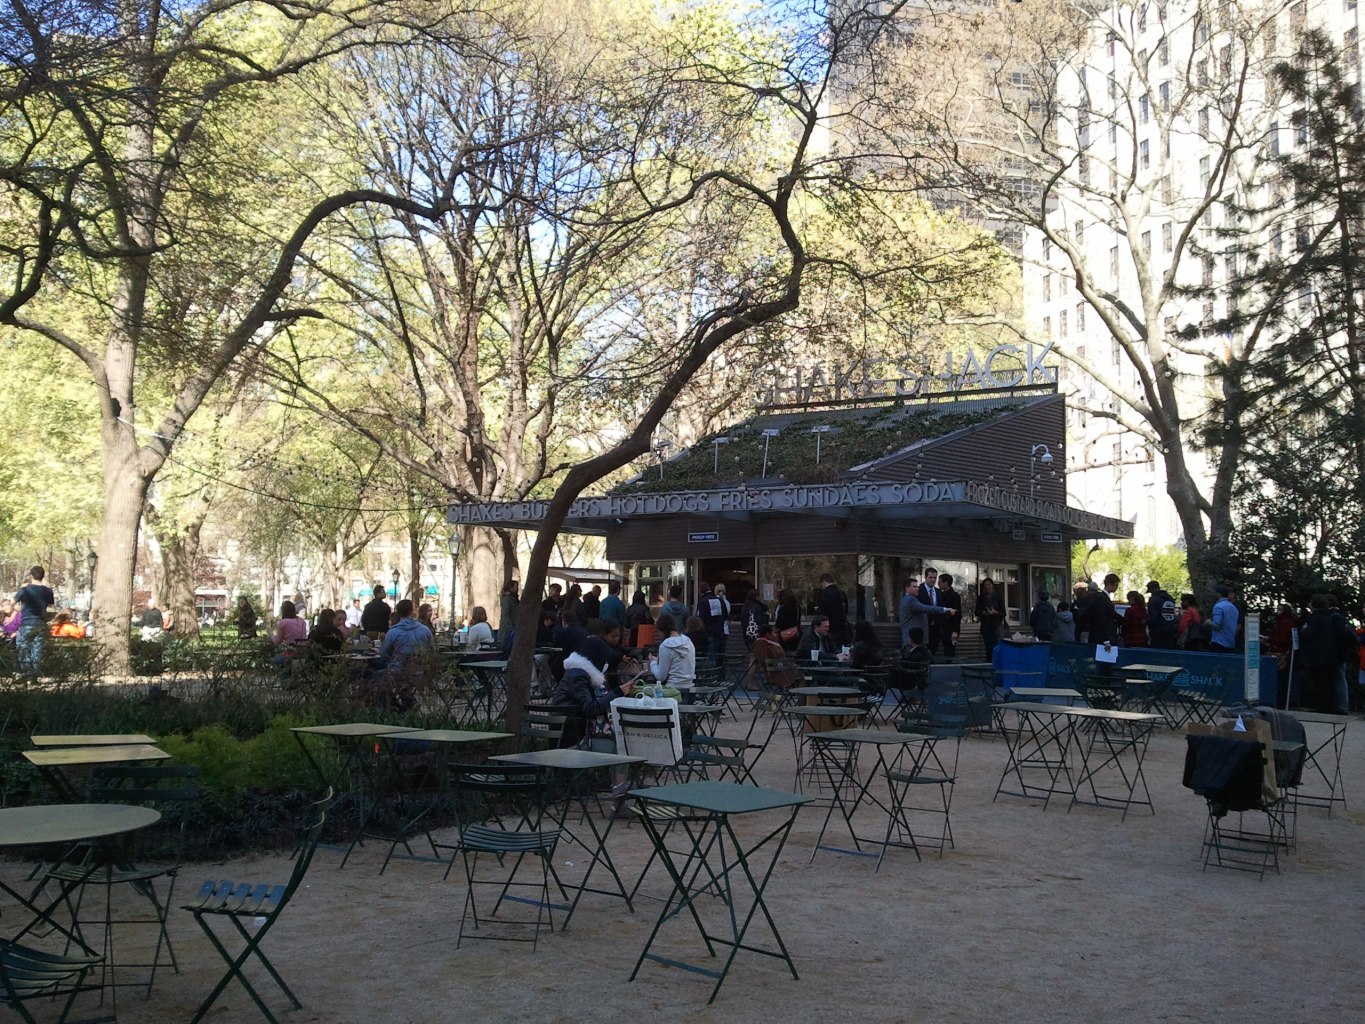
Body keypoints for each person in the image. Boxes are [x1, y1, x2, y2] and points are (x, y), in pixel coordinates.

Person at [550, 637, 637, 748]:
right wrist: (618, 691)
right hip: (569, 734)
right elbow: (591, 709)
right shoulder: (578, 675)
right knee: (617, 745)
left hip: (569, 728)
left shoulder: (577, 673)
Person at [1299, 594, 1351, 714]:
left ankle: (1330, 706)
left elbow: (1309, 634)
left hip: (1321, 655)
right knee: (1331, 680)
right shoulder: (1330, 617)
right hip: (1331, 654)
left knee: (1324, 681)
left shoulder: (1316, 618)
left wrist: (1303, 631)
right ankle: (1334, 705)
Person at [14, 567, 54, 674]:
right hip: (41, 623)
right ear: (43, 576)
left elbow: (14, 602)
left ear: (31, 576)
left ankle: (27, 673)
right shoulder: (47, 591)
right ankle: (36, 673)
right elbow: (50, 603)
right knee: (38, 649)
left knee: (23, 648)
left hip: (27, 622)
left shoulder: (25, 590)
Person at [378, 598, 434, 671]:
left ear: (398, 613)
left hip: (397, 671)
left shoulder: (392, 632)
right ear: (412, 612)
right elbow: (432, 650)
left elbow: (384, 653)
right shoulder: (425, 630)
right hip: (419, 671)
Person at [650, 613, 696, 693]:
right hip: (690, 688)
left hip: (672, 690)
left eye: (659, 632)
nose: (659, 635)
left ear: (663, 630)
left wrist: (652, 663)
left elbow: (661, 677)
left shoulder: (665, 646)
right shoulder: (688, 641)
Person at [899, 577, 949, 650]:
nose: (917, 589)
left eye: (917, 587)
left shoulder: (909, 599)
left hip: (914, 639)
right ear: (907, 588)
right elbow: (926, 608)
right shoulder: (910, 600)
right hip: (913, 640)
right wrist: (945, 609)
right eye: (914, 587)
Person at [696, 582, 726, 667]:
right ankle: (721, 678)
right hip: (721, 633)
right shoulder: (719, 600)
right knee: (721, 659)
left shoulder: (703, 602)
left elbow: (700, 619)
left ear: (700, 591)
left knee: (711, 657)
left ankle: (711, 678)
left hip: (708, 633)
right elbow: (725, 615)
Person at [975, 578, 1006, 657]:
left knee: (994, 643)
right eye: (985, 585)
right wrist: (983, 612)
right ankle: (988, 659)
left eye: (989, 585)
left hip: (996, 624)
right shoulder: (981, 598)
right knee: (987, 644)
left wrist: (995, 612)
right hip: (985, 624)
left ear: (992, 585)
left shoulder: (998, 597)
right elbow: (976, 612)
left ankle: (994, 659)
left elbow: (1003, 613)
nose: (987, 587)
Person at [816, 572, 849, 645]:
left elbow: (822, 613)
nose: (821, 586)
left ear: (824, 581)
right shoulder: (841, 593)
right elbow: (845, 610)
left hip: (829, 629)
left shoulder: (825, 594)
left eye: (821, 584)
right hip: (842, 628)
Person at [1145, 581, 1178, 648]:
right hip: (1170, 630)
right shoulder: (1170, 598)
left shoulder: (1153, 600)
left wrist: (1147, 622)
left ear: (1151, 589)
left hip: (1157, 631)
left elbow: (1153, 617)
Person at [899, 626, 932, 691]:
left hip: (909, 680)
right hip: (916, 679)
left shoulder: (917, 654)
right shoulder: (925, 651)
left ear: (911, 639)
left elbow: (905, 664)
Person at [1209, 585, 1240, 652]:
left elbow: (1216, 625)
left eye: (1215, 593)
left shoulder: (1218, 606)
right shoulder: (1234, 608)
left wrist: (1208, 623)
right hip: (1230, 643)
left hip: (1219, 642)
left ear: (1219, 594)